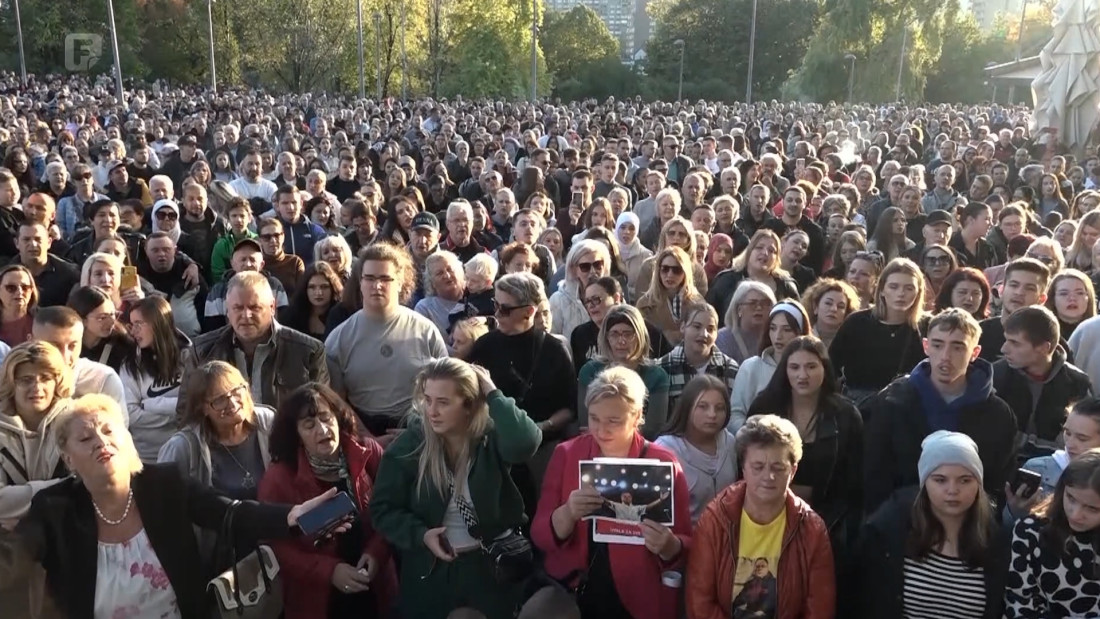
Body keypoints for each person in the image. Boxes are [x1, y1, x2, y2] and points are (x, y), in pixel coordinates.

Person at [1, 393, 339, 619]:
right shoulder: (54, 507)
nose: (101, 442)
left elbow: (228, 512)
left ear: (126, 436)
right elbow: (14, 556)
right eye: (86, 438)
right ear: (67, 457)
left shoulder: (163, 483)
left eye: (108, 431)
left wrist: (293, 516)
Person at [371, 358, 542, 619]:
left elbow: (525, 442)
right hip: (432, 573)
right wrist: (421, 535)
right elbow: (383, 509)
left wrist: (492, 392)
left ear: (468, 405)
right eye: (428, 400)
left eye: (443, 402)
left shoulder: (489, 437)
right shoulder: (410, 445)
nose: (432, 411)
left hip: (490, 570)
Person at [533, 366, 692, 619]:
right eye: (594, 418)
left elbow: (685, 542)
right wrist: (568, 513)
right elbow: (540, 535)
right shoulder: (567, 454)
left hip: (638, 595)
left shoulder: (663, 462)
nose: (601, 430)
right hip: (577, 588)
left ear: (637, 415)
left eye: (613, 421)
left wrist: (669, 546)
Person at [257, 383, 397, 619]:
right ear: (296, 435)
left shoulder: (368, 452)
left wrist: (377, 552)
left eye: (326, 418)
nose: (322, 430)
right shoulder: (279, 478)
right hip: (317, 599)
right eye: (309, 425)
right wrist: (330, 572)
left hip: (376, 585)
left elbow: (394, 509)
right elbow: (277, 546)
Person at [863, 309, 1017, 512]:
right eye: (937, 345)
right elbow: (874, 475)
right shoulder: (893, 401)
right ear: (926, 346)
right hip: (901, 519)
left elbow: (997, 482)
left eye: (958, 347)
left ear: (975, 353)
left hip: (970, 524)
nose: (946, 356)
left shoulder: (998, 414)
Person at [686, 415, 836, 619]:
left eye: (778, 467)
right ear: (743, 469)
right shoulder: (715, 520)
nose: (768, 476)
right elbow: (700, 601)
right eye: (758, 467)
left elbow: (819, 609)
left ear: (793, 471)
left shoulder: (813, 529)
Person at [852, 431, 1008, 619]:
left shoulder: (997, 544)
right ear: (924, 483)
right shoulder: (891, 532)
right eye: (940, 480)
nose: (952, 490)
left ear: (979, 485)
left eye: (965, 480)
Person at [747, 336, 863, 548]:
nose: (802, 375)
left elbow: (853, 481)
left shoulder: (845, 415)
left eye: (811, 366)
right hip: (769, 517)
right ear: (785, 370)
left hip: (829, 524)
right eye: (794, 367)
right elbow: (746, 466)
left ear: (825, 368)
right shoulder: (764, 407)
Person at [326, 242, 447, 435]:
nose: (377, 286)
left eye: (385, 278)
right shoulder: (339, 339)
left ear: (400, 282)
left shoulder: (426, 331)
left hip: (419, 428)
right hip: (361, 429)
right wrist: (367, 437)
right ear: (360, 282)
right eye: (370, 278)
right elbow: (335, 400)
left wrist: (418, 433)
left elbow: (445, 390)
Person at [181, 271, 328, 412]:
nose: (246, 315)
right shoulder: (201, 351)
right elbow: (187, 412)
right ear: (227, 310)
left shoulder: (309, 351)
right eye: (238, 308)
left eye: (254, 307)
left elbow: (319, 411)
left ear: (272, 307)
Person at [159, 360, 275, 499]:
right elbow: (162, 498)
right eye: (219, 400)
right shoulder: (182, 447)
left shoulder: (267, 422)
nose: (232, 404)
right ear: (203, 408)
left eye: (236, 391)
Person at [1004, 450, 1100, 617]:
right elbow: (1020, 604)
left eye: (1092, 508)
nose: (1076, 514)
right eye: (1071, 498)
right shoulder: (1030, 532)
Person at [995, 305, 1091, 461]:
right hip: (1002, 468)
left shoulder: (1077, 384)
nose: (1004, 348)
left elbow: (1082, 440)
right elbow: (992, 436)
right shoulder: (995, 378)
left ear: (1044, 348)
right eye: (1006, 340)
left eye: (1015, 343)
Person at [829, 257, 927, 404]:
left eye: (909, 288)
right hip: (859, 405)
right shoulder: (857, 322)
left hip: (907, 405)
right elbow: (830, 366)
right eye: (894, 287)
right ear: (881, 290)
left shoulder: (927, 326)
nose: (901, 293)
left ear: (918, 292)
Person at [0, 342, 74, 522]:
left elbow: (89, 485)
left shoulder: (78, 421)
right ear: (11, 383)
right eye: (26, 380)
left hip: (71, 529)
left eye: (45, 378)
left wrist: (19, 499)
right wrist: (58, 490)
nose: (37, 388)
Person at [577, 304, 670, 438]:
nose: (621, 341)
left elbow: (653, 429)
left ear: (639, 336)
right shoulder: (590, 371)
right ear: (606, 337)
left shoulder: (656, 375)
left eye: (628, 334)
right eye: (614, 334)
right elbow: (586, 424)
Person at [655, 375, 737, 524]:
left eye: (719, 408)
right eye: (703, 406)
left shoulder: (730, 442)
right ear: (688, 407)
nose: (712, 414)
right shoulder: (665, 450)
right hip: (686, 540)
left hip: (727, 538)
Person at [730, 301, 813, 430]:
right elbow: (735, 414)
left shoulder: (811, 370)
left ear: (800, 333)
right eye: (773, 328)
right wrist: (753, 434)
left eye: (787, 329)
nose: (778, 336)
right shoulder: (751, 367)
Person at [32, 306, 127, 407]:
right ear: (31, 342)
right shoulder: (15, 375)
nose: (65, 356)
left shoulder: (103, 380)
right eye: (55, 346)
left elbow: (118, 422)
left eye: (72, 346)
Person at [659, 304, 740, 412]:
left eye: (710, 329)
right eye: (697, 327)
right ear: (683, 327)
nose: (704, 334)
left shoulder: (730, 369)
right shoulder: (663, 368)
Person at [978, 258, 1051, 362]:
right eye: (1014, 285)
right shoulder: (978, 333)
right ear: (1001, 290)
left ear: (1042, 299)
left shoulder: (1049, 340)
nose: (1019, 292)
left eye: (1029, 288)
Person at [636, 246, 706, 346]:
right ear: (658, 271)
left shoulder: (698, 303)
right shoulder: (645, 304)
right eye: (665, 269)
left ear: (685, 273)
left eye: (676, 270)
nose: (670, 275)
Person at [550, 239, 611, 342]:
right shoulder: (558, 300)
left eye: (597, 265)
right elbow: (553, 340)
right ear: (574, 270)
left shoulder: (613, 296)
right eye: (585, 267)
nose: (593, 272)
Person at [8, 223, 80, 308]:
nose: (33, 244)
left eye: (38, 239)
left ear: (49, 242)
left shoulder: (69, 273)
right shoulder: (5, 274)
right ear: (16, 243)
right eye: (26, 240)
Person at [68, 285, 133, 369]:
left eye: (112, 314)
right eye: (102, 318)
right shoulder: (66, 346)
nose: (111, 321)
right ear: (82, 320)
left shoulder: (122, 346)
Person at [279, 261, 344, 341]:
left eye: (324, 287)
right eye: (312, 287)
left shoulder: (342, 316)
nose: (318, 293)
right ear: (305, 289)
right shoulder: (292, 316)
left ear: (333, 288)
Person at [716, 280, 777, 364]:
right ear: (739, 309)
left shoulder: (777, 337)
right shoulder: (723, 339)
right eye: (753, 303)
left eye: (765, 303)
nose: (759, 308)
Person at [801, 278, 860, 348]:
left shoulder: (852, 342)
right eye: (828, 303)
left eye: (841, 306)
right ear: (815, 306)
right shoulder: (801, 336)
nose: (834, 309)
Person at [1044, 269, 1096, 339]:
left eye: (1079, 293)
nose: (1072, 298)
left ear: (1088, 297)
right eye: (1064, 293)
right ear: (1053, 299)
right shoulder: (1041, 332)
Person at [0, 264, 37, 346]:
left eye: (25, 287)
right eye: (11, 287)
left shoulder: (43, 321)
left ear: (32, 291)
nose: (19, 292)